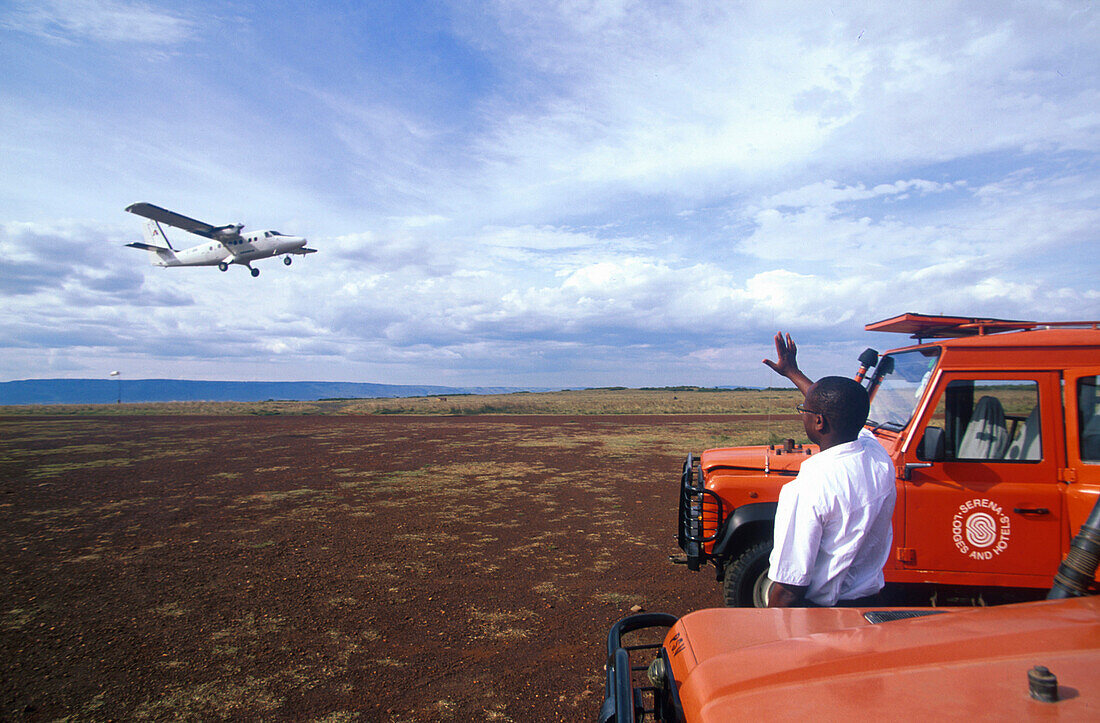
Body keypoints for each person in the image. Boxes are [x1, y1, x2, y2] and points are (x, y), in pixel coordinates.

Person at [762, 332, 896, 607]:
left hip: (824, 614)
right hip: (870, 602)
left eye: (804, 411)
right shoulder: (878, 456)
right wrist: (792, 372)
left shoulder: (807, 488)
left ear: (819, 422)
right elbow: (842, 409)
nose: (803, 415)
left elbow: (788, 588)